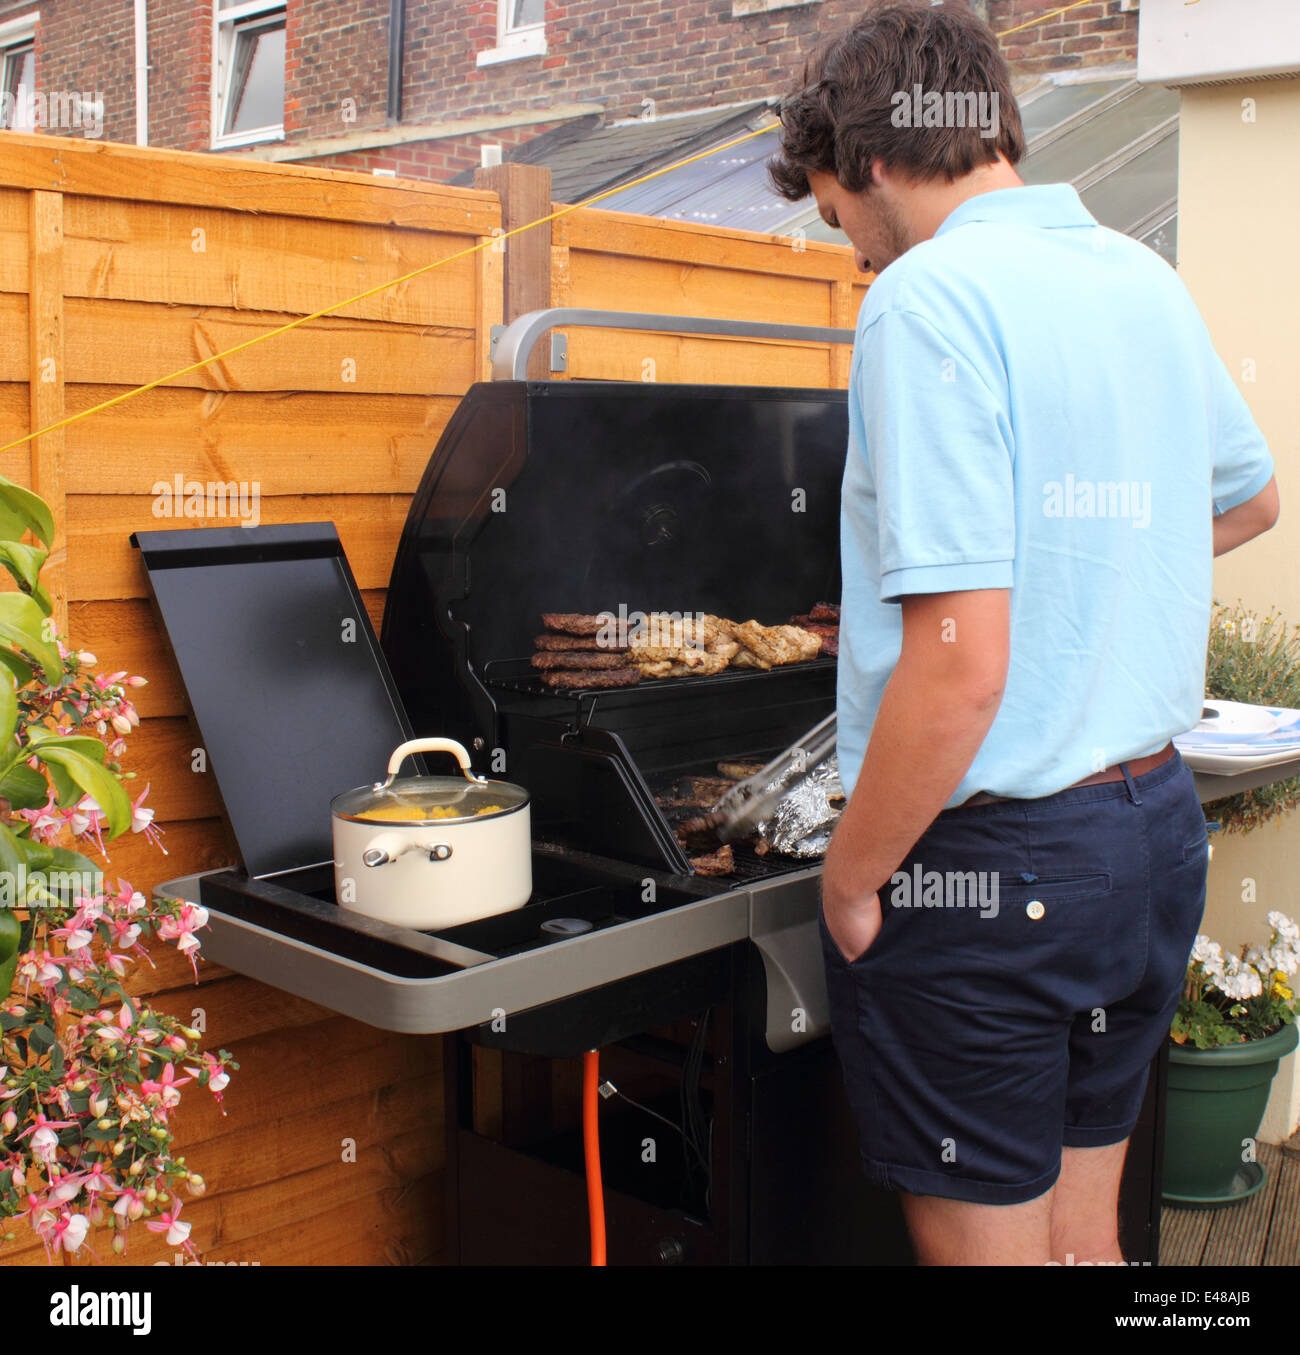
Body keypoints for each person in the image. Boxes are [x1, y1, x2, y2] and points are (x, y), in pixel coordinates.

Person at [769, 0, 1279, 1266]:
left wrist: (849, 874)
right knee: (1081, 1243)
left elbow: (959, 669)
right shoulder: (1136, 273)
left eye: (836, 212)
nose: (849, 255)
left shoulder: (922, 299)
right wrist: (1057, 577)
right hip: (1151, 836)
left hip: (994, 867)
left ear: (874, 161)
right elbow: (1246, 497)